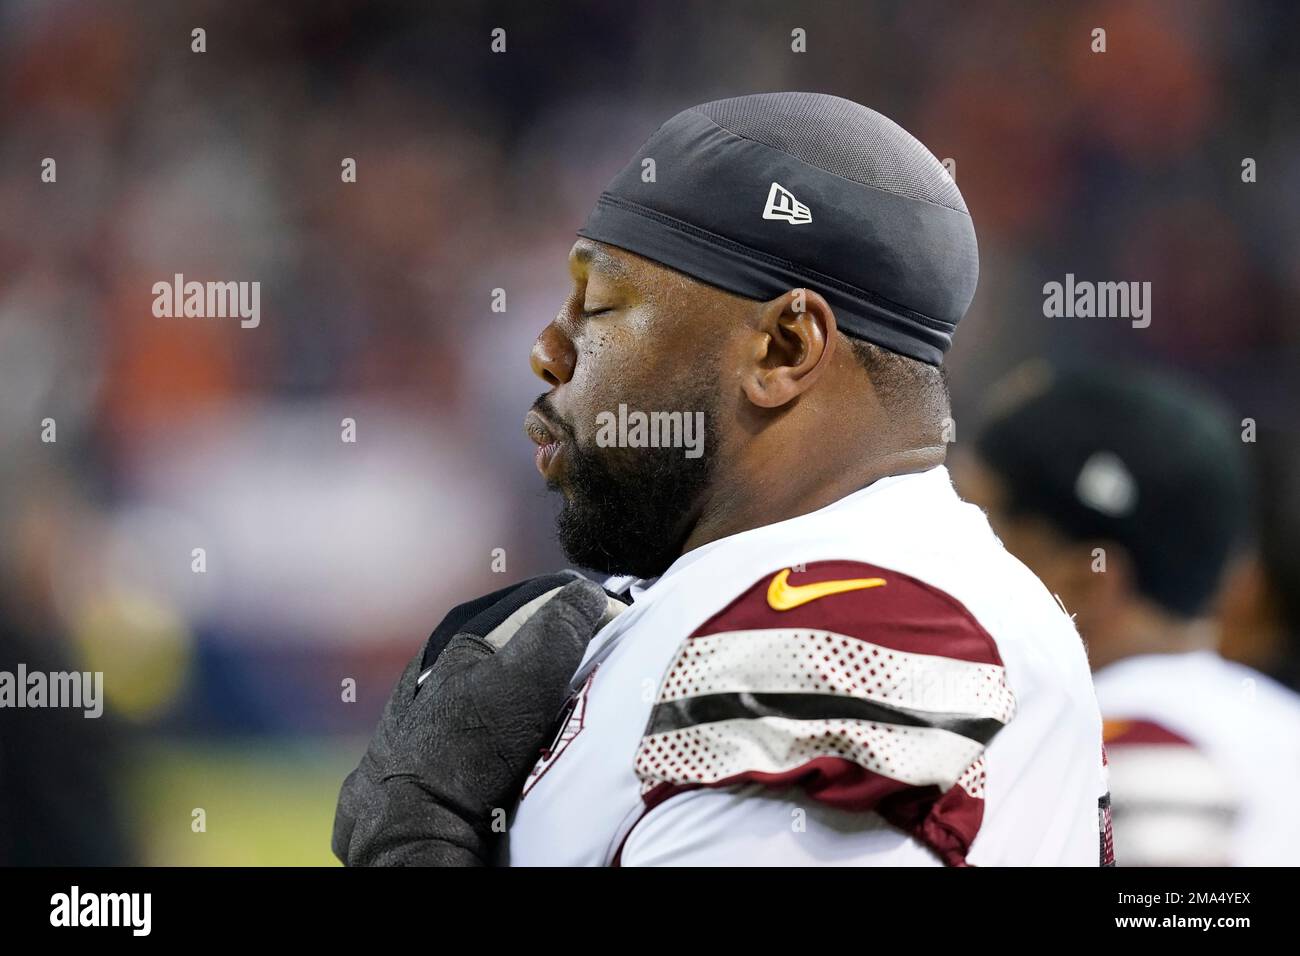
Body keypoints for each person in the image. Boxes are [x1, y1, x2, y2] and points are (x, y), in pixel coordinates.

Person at [334, 92, 1108, 867]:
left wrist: (415, 846)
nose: (546, 349)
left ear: (783, 349)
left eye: (599, 307)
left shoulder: (858, 629)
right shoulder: (776, 592)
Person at [956, 362, 1300, 865]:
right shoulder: (1277, 724)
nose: (939, 552)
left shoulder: (1121, 756)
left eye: (973, 521)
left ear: (1085, 581)